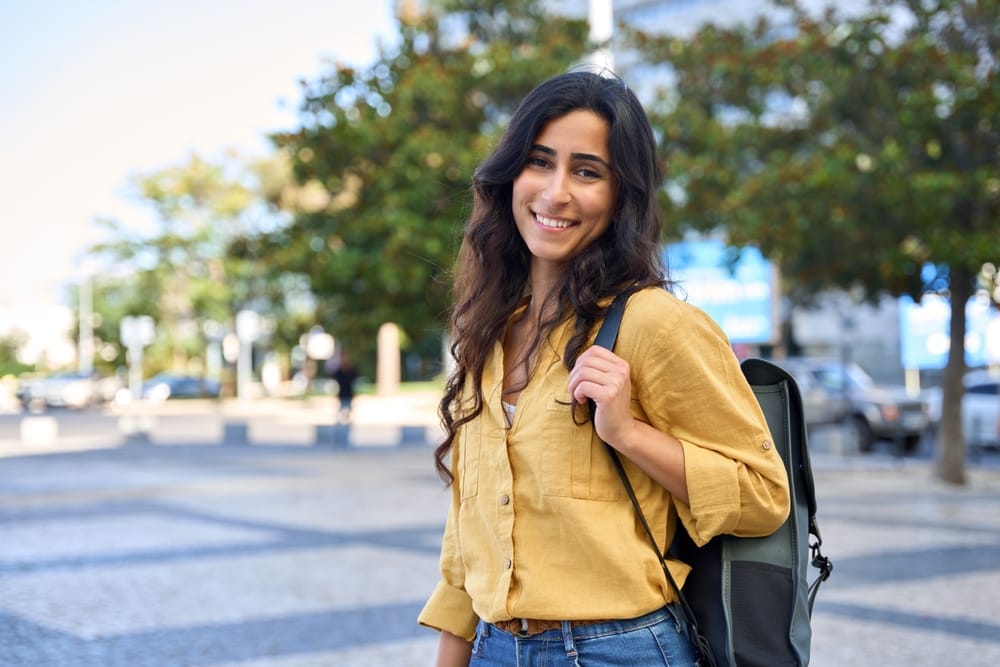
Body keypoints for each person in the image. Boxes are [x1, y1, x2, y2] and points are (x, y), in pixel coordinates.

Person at [418, 69, 790, 666]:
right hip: (494, 647)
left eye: (587, 171)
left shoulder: (654, 324)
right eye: (540, 162)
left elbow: (764, 496)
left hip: (618, 651)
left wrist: (629, 434)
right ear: (510, 174)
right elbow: (468, 541)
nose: (556, 191)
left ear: (622, 196)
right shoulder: (487, 332)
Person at [330, 352, 359, 423]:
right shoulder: (340, 371)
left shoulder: (350, 371)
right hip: (342, 394)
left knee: (347, 412)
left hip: (348, 394)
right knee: (341, 412)